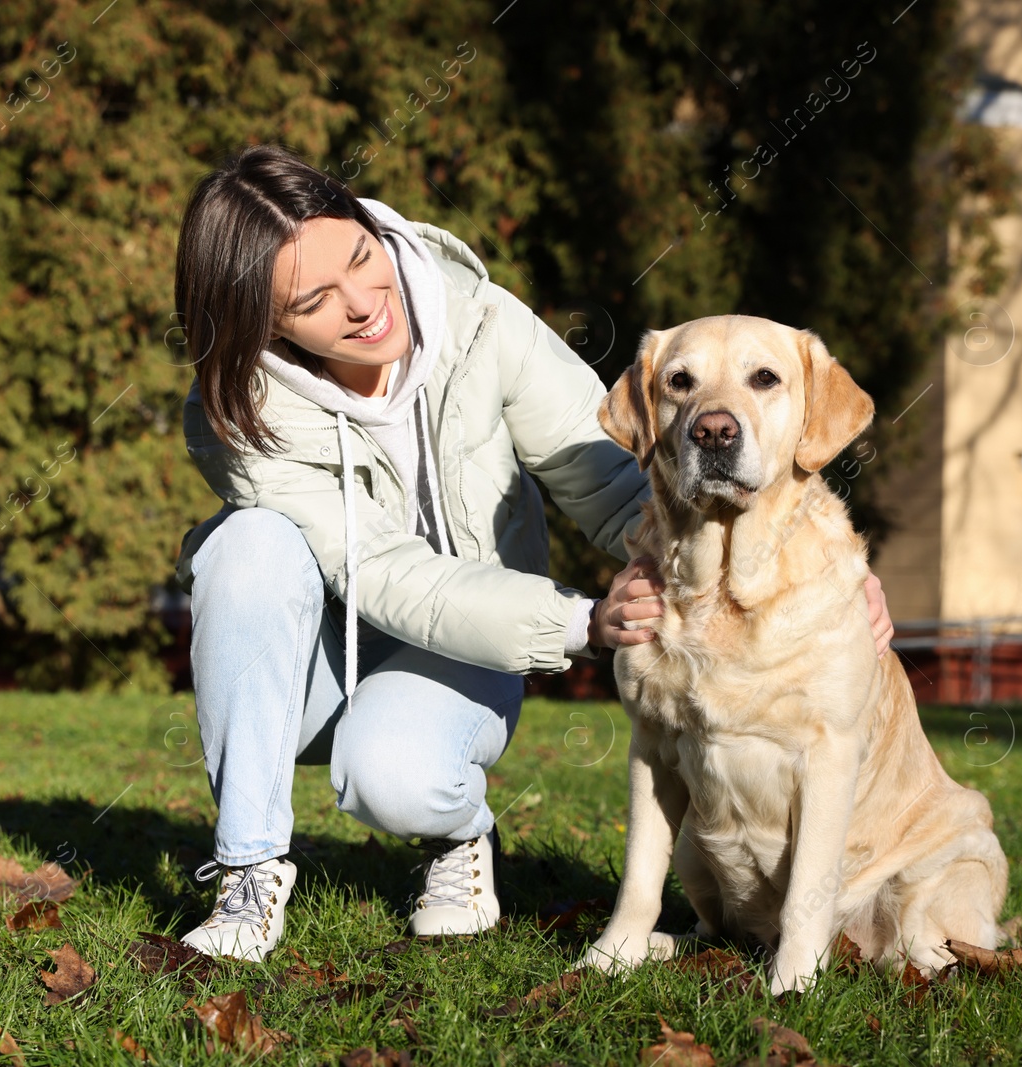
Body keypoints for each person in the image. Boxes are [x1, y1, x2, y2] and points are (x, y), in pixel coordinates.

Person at [170, 144, 894, 961]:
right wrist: (582, 620)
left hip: (464, 647)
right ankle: (248, 869)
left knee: (393, 777)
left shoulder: (477, 320)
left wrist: (832, 578)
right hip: (315, 662)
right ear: (262, 324)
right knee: (246, 546)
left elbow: (622, 482)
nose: (364, 303)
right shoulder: (238, 413)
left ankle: (459, 837)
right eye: (314, 299)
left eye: (362, 256)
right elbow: (379, 573)